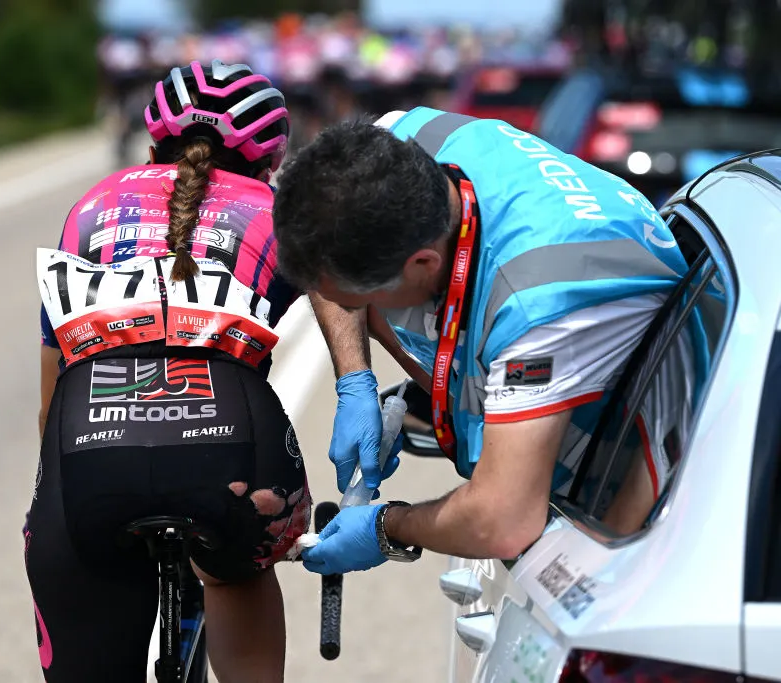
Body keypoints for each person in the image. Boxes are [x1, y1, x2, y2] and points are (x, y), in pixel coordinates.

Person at [270, 109, 696, 575]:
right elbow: (321, 234)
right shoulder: (404, 144)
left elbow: (503, 519)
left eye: (360, 301)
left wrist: (386, 527)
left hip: (626, 528)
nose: (345, 309)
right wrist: (354, 378)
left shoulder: (541, 309)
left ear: (422, 264)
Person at [26, 60, 309, 682]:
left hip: (89, 443)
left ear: (153, 143)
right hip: (233, 455)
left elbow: (50, 402)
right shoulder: (273, 208)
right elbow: (350, 305)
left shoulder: (91, 206)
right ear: (272, 159)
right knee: (239, 573)